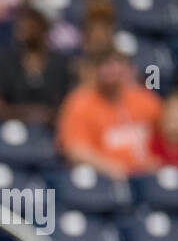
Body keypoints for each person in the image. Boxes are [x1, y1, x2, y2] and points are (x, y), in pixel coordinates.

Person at [56, 48, 161, 179]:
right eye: (105, 64)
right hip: (102, 179)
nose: (111, 69)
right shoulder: (79, 102)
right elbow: (76, 151)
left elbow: (170, 133)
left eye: (116, 63)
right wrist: (110, 167)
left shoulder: (145, 99)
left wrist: (159, 160)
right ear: (95, 69)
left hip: (146, 177)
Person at [0, 6, 74, 126]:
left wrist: (51, 115)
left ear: (43, 28)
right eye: (20, 25)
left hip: (51, 127)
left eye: (30, 24)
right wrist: (26, 114)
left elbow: (69, 101)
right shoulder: (4, 62)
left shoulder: (60, 63)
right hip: (12, 127)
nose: (24, 28)